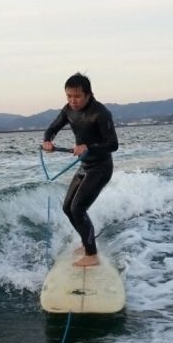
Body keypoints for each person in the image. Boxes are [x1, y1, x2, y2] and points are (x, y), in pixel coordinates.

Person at [42, 73, 119, 267]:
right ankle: (87, 244)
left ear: (88, 94)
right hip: (85, 166)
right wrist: (48, 141)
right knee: (68, 208)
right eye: (68, 96)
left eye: (77, 96)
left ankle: (91, 254)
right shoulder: (68, 110)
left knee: (78, 208)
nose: (72, 101)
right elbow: (52, 128)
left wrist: (88, 147)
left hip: (101, 168)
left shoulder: (101, 113)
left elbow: (113, 145)